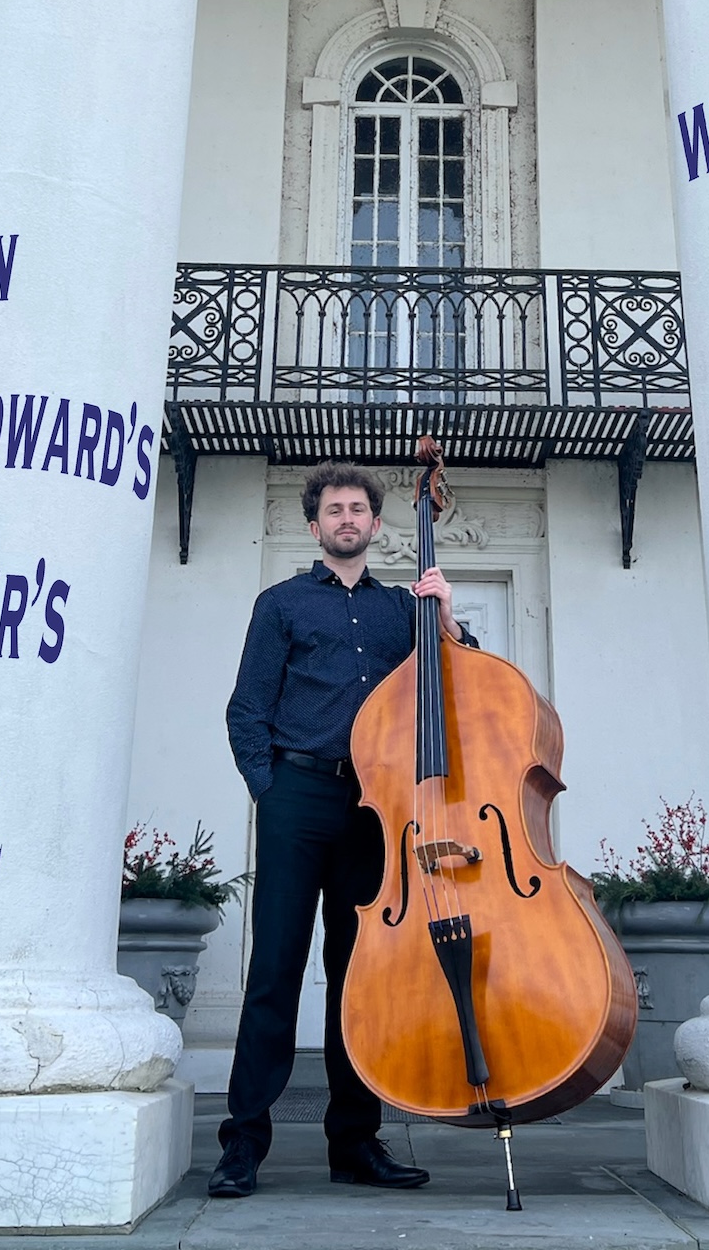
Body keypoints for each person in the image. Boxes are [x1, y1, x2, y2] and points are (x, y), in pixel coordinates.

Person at [208, 461, 477, 1200]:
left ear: (377, 526)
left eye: (359, 509)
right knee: (275, 973)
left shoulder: (404, 609)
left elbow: (468, 687)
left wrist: (447, 618)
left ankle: (355, 1143)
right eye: (335, 510)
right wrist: (272, 790)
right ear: (315, 526)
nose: (348, 519)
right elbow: (247, 710)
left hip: (374, 806)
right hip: (298, 796)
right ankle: (242, 1147)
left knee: (362, 981)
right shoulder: (282, 603)